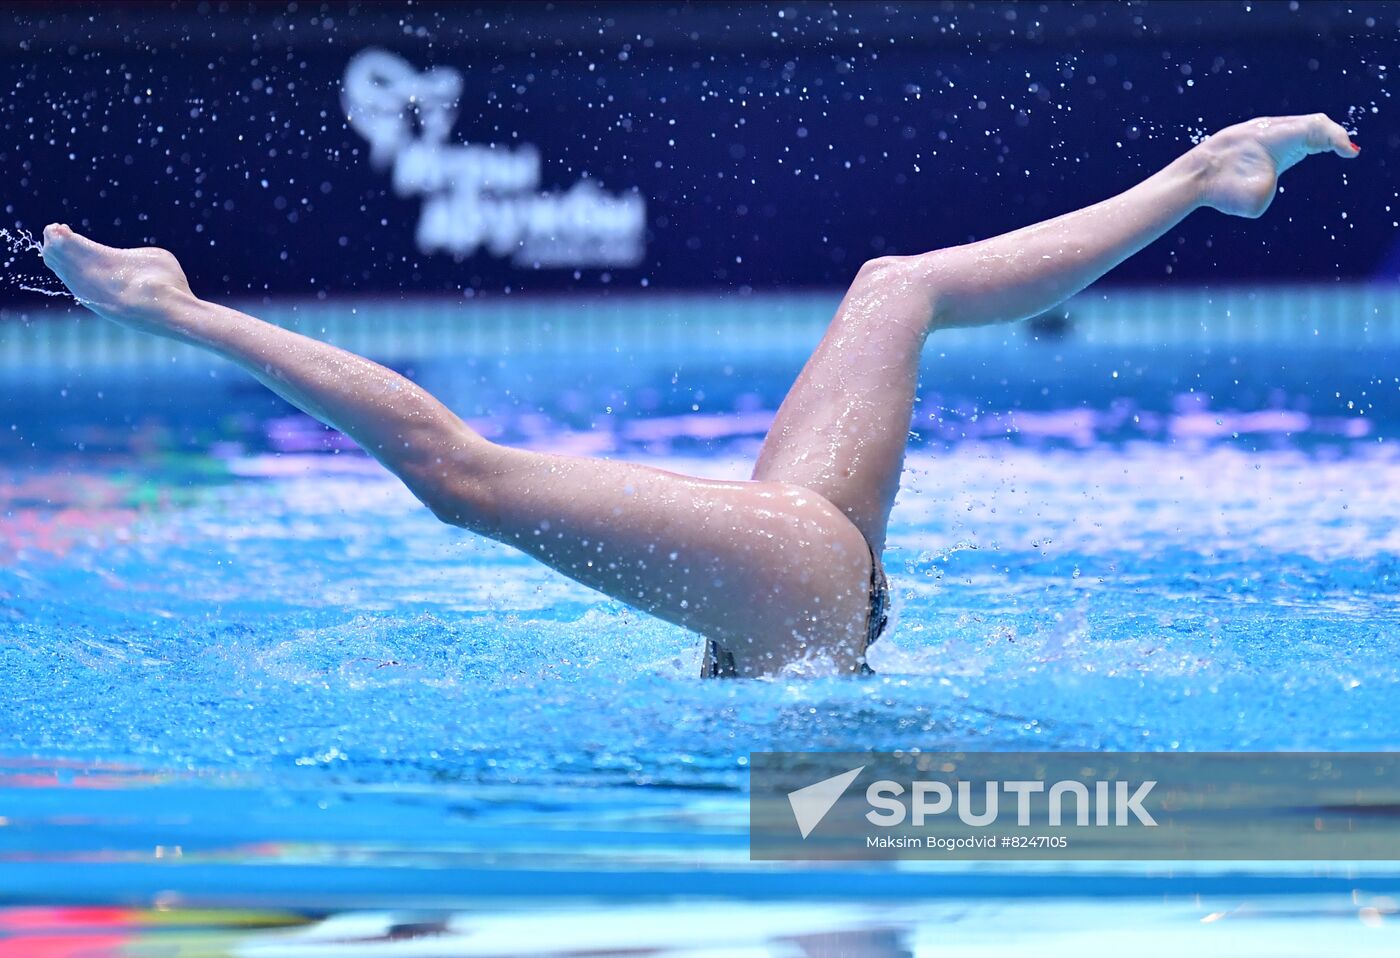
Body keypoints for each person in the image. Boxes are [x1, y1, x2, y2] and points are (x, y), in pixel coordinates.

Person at [39, 113, 1359, 678]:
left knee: (462, 473)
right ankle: (1202, 172)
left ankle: (173, 307)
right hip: (798, 598)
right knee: (893, 286)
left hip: (798, 598)